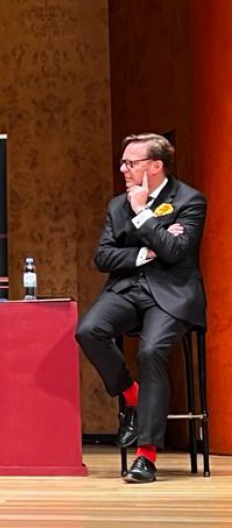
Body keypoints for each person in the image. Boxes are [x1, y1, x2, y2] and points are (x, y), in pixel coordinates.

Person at [76, 133, 206, 483]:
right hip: (127, 288)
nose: (123, 169)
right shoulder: (116, 204)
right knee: (88, 331)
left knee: (151, 352)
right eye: (123, 162)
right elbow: (103, 256)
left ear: (156, 166)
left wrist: (142, 214)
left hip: (172, 292)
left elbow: (177, 253)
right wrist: (147, 251)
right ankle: (132, 396)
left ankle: (146, 456)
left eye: (130, 163)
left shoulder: (190, 201)